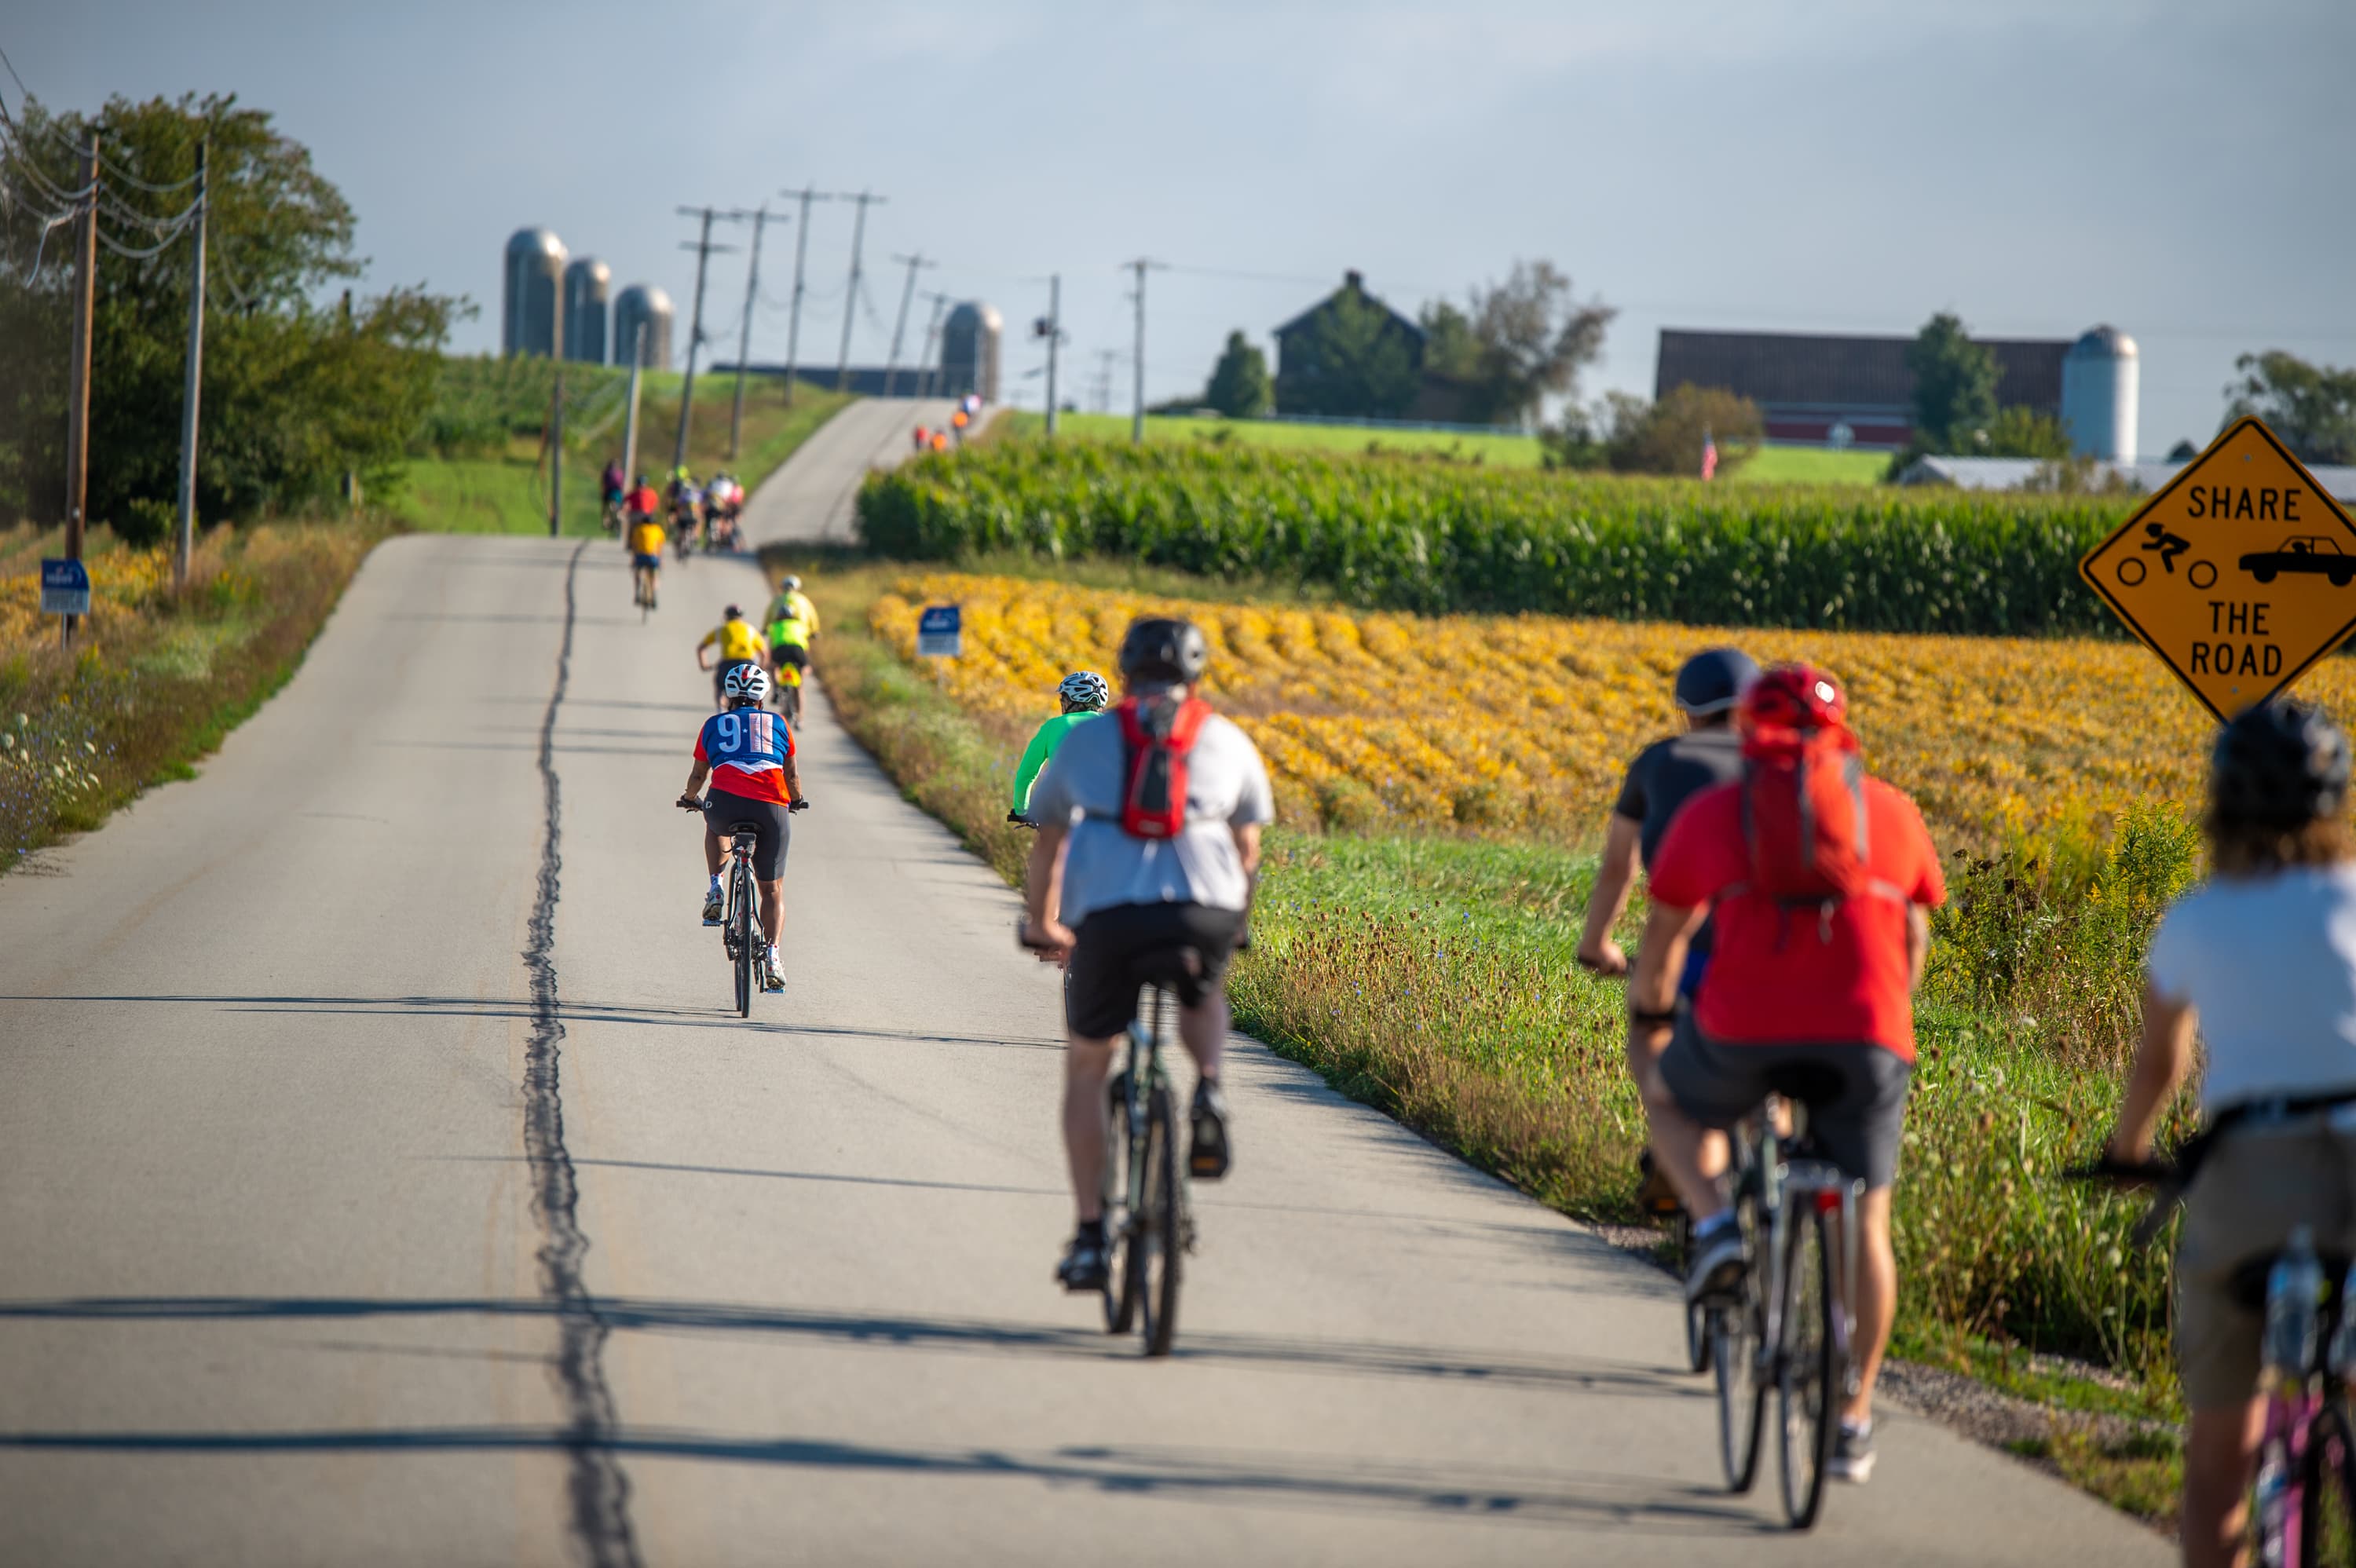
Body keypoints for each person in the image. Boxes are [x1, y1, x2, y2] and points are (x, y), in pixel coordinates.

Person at [1628, 663, 1944, 1487]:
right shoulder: (1894, 811)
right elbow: (1913, 940)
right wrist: (1883, 1018)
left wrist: (1652, 1020)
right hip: (1868, 1035)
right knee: (1870, 1222)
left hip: (1742, 1030)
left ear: (1746, 730)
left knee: (1666, 1092)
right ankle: (1852, 1416)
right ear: (1846, 735)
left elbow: (1664, 942)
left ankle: (1717, 1227)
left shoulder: (1712, 813)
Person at [2102, 700, 2356, 1568]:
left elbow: (2158, 1067)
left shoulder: (2198, 916)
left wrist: (2127, 1151)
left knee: (2220, 1451)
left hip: (2251, 1174)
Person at [1019, 617, 1275, 1292]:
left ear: (1125, 673)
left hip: (1109, 914)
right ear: (1196, 674)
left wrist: (1042, 923)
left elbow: (1046, 842)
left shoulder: (1088, 737)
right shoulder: (1226, 737)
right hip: (1204, 908)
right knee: (1203, 990)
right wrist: (1236, 923)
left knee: (1088, 1063)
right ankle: (1211, 1087)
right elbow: (1248, 850)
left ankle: (1091, 1233)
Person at [1578, 647, 1758, 1212]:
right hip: (1782, 950)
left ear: (1688, 709)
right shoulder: (1782, 764)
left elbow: (1618, 867)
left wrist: (1598, 944)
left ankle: (1677, 1161)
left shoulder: (1659, 762)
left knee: (1653, 1039)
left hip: (1688, 950)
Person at [675, 662, 804, 994]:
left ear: (729, 696)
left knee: (712, 820)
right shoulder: (778, 723)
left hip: (726, 803)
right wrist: (798, 799)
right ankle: (773, 955)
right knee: (772, 889)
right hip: (771, 807)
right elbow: (790, 775)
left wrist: (691, 798)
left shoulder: (714, 724)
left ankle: (716, 886)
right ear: (762, 698)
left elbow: (699, 775)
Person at [1009, 671, 1111, 823]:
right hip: (1103, 813)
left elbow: (1026, 774)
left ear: (1072, 701)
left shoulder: (1053, 726)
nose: (1062, 703)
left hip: (1060, 809)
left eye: (1063, 698)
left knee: (1049, 845)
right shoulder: (1114, 727)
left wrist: (1022, 810)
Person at [696, 605, 768, 710]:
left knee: (720, 689)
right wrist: (761, 669)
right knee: (755, 688)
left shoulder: (722, 629)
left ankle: (720, 710)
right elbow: (764, 653)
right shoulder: (750, 629)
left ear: (726, 617)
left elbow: (701, 648)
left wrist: (704, 665)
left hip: (727, 663)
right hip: (748, 664)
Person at [626, 509, 667, 608]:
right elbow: (659, 547)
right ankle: (654, 596)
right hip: (653, 558)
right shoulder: (657, 530)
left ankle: (637, 593)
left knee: (637, 573)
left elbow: (634, 546)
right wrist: (660, 560)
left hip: (640, 557)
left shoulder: (638, 529)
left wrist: (633, 559)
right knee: (655, 575)